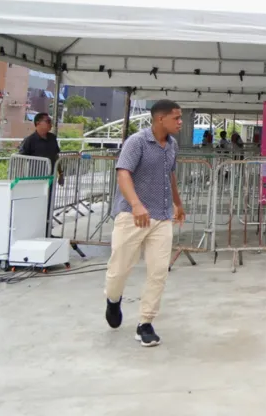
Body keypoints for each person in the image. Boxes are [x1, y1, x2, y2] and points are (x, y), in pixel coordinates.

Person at [103, 99, 185, 347]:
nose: (181, 122)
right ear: (161, 119)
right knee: (120, 268)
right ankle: (113, 299)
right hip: (132, 216)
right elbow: (123, 172)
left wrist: (177, 203)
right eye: (177, 118)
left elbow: (170, 174)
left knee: (158, 271)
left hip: (161, 217)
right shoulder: (137, 142)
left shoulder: (172, 145)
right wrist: (137, 204)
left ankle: (146, 323)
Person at [19, 112, 61, 181]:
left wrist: (60, 173)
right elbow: (20, 159)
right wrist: (21, 177)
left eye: (50, 121)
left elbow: (56, 156)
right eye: (48, 121)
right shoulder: (30, 140)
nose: (50, 124)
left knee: (50, 192)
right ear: (38, 123)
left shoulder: (53, 138)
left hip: (51, 177)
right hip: (35, 177)